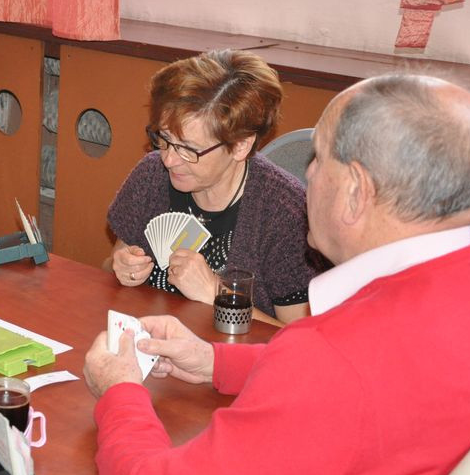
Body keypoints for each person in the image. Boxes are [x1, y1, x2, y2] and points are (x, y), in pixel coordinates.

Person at [0, 73, 470, 475]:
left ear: (355, 191)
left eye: (318, 159)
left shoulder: (326, 361)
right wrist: (215, 361)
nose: (307, 176)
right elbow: (373, 379)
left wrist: (120, 392)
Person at [105, 49, 320, 325]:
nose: (169, 159)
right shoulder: (151, 175)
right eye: (165, 139)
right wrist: (122, 268)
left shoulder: (284, 213)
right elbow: (110, 265)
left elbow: (298, 339)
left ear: (240, 145)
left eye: (189, 149)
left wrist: (216, 293)